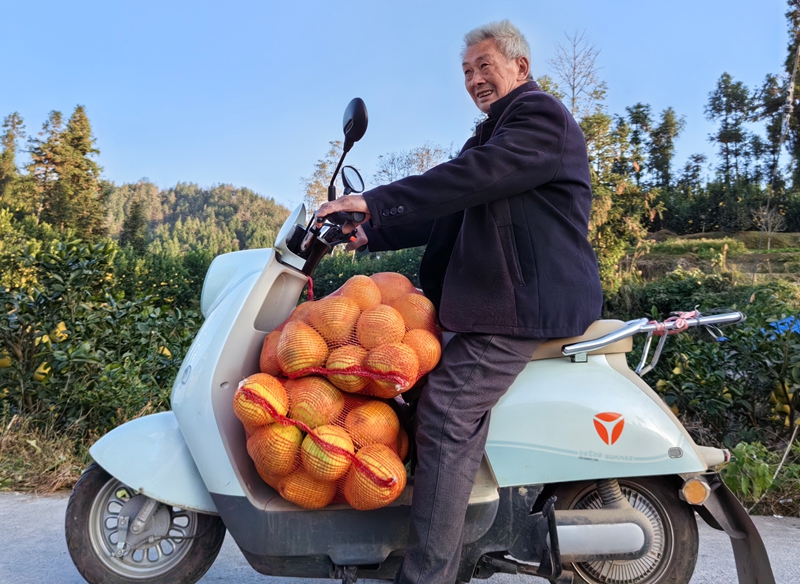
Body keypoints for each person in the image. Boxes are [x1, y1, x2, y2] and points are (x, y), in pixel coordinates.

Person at [317, 20, 603, 584]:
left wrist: (376, 201)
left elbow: (469, 179)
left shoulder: (539, 117)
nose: (474, 78)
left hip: (525, 303)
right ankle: (428, 528)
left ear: (520, 67)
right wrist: (371, 232)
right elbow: (451, 206)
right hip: (498, 300)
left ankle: (428, 575)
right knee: (414, 385)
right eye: (467, 71)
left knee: (447, 412)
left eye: (484, 65)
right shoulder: (494, 133)